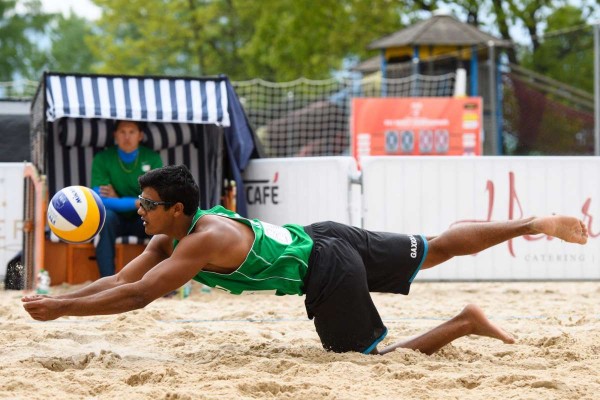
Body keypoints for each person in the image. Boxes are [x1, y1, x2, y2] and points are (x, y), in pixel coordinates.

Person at [23, 165, 589, 356]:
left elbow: (138, 297)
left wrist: (61, 314)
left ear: (175, 209)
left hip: (325, 269)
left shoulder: (196, 242)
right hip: (320, 235)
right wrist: (59, 299)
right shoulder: (169, 237)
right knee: (436, 245)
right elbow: (121, 278)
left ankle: (465, 321)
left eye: (147, 206)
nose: (138, 212)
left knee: (374, 361)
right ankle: (532, 223)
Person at [90, 120, 163, 277]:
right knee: (105, 217)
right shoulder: (103, 158)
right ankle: (106, 282)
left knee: (159, 218)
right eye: (122, 132)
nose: (127, 137)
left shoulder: (152, 158)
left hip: (143, 218)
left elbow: (156, 199)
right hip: (115, 220)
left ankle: (162, 280)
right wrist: (138, 201)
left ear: (140, 135)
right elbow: (99, 200)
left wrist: (118, 199)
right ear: (115, 135)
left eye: (132, 132)